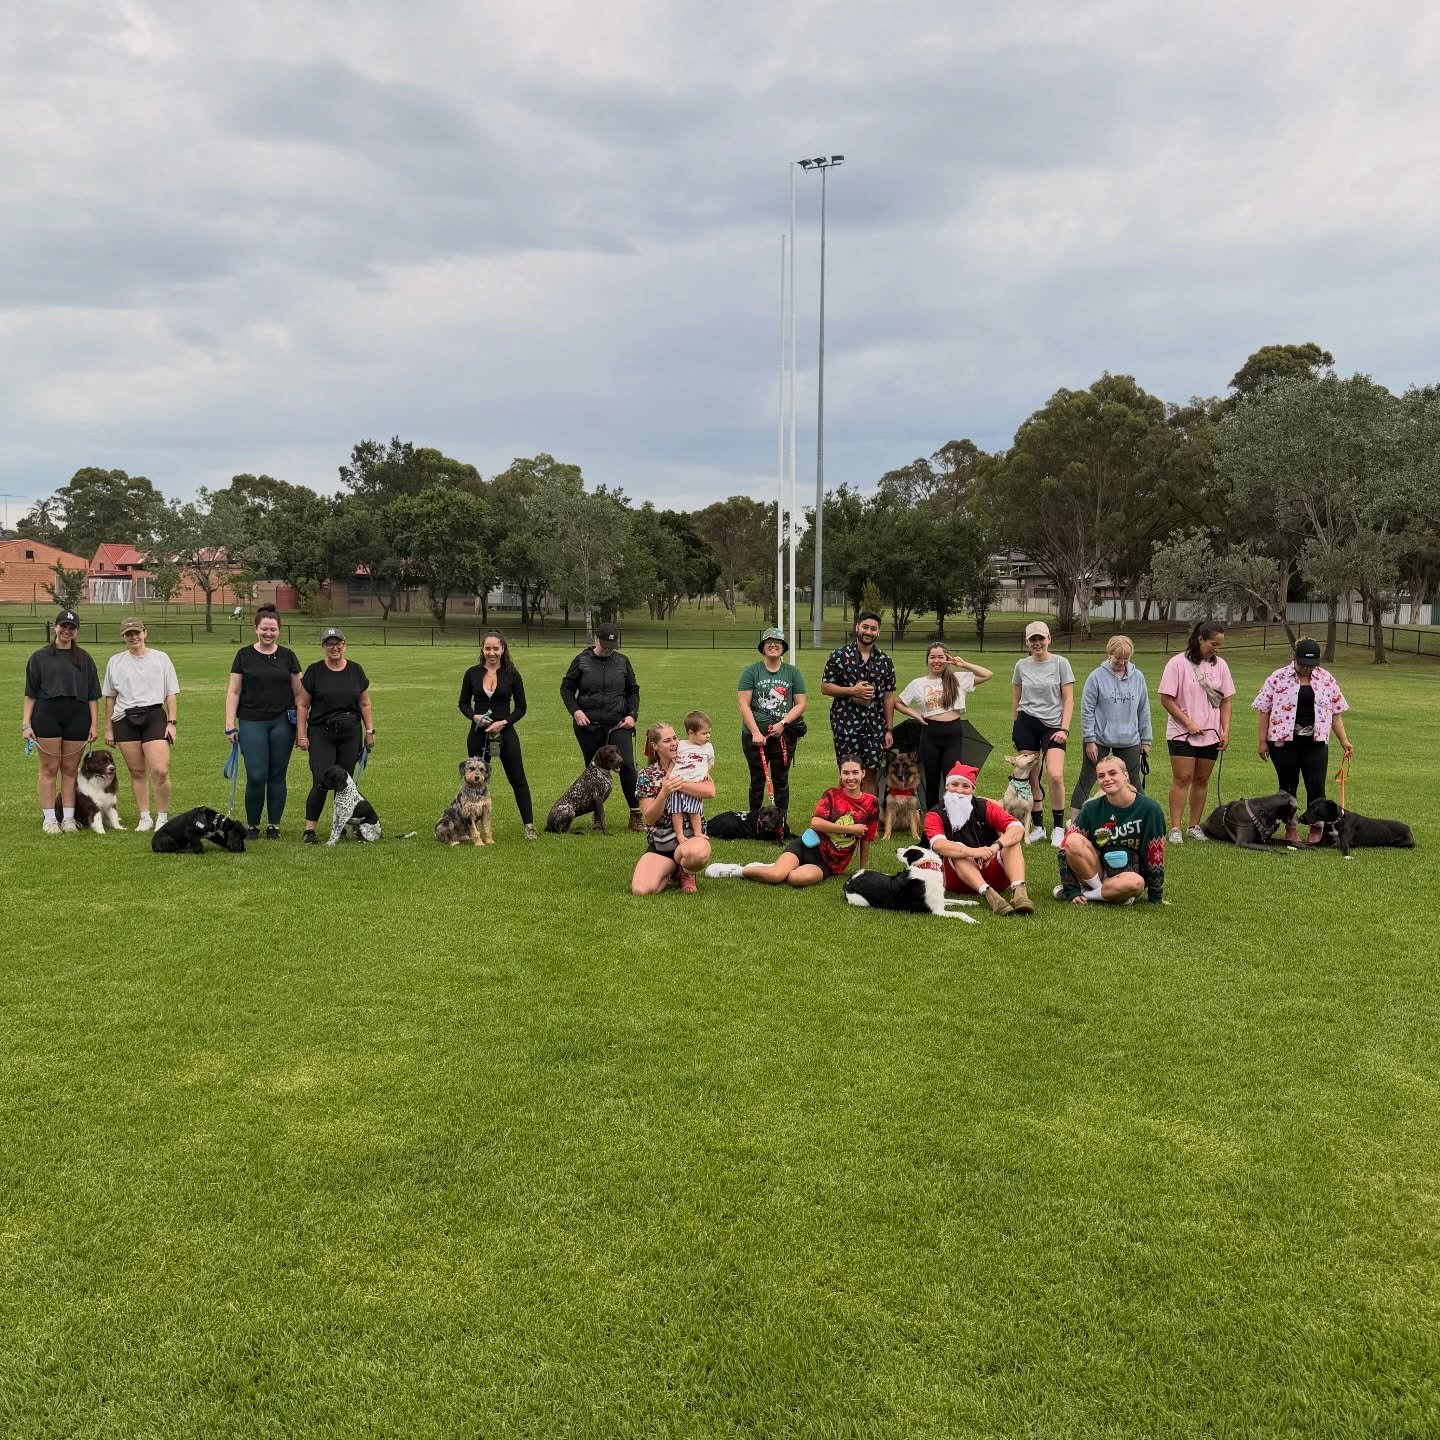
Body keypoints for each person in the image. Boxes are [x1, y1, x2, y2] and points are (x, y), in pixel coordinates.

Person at [705, 756, 878, 887]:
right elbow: (816, 823)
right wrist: (851, 829)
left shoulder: (871, 803)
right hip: (807, 846)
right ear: (840, 774)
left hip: (829, 863)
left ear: (863, 773)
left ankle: (771, 867)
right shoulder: (831, 794)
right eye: (846, 772)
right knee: (776, 876)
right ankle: (737, 870)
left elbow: (866, 838)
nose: (850, 777)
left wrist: (863, 871)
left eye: (855, 772)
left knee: (796, 879)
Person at [1253, 637, 1353, 844]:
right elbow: (1264, 711)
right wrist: (1262, 741)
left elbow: (1336, 713)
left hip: (1315, 742)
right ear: (1294, 657)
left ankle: (1317, 827)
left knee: (1316, 785)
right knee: (1287, 787)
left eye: (1311, 665)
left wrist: (1344, 741)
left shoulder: (1326, 679)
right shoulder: (1277, 678)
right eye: (1303, 664)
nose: (1307, 669)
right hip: (1283, 742)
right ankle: (1290, 827)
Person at [225, 604, 304, 840]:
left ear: (279, 630)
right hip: (252, 721)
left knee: (277, 775)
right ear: (256, 629)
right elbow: (234, 691)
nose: (268, 633)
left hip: (283, 723)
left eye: (273, 629)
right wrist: (230, 724)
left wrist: (301, 728)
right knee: (257, 775)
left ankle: (274, 825)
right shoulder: (244, 655)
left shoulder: (288, 656)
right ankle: (252, 825)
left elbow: (300, 695)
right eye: (264, 629)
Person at [21, 610, 100, 833]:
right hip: (47, 715)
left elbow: (93, 696)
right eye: (63, 626)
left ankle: (68, 818)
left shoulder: (84, 658)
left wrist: (94, 725)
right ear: (55, 627)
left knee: (70, 770)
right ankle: (49, 819)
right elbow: (30, 694)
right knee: (49, 768)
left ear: (77, 631)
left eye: (71, 627)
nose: (67, 631)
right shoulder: (39, 657)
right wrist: (26, 724)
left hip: (78, 716)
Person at [1158, 620, 1235, 844]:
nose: (1216, 649)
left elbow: (1226, 701)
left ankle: (1194, 826)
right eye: (1213, 644)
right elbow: (1166, 698)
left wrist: (1225, 730)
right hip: (1181, 732)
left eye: (1220, 645)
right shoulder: (1177, 663)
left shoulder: (1220, 665)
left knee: (1202, 779)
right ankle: (1175, 828)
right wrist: (1187, 723)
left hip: (1211, 733)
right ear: (1200, 639)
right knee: (1182, 778)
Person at [922, 762, 1034, 915]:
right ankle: (991, 897)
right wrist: (974, 852)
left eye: (965, 786)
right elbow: (939, 845)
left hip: (992, 871)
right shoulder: (935, 814)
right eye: (954, 784)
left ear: (973, 789)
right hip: (958, 879)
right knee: (957, 849)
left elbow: (1017, 828)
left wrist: (994, 847)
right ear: (947, 787)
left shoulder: (985, 806)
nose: (959, 791)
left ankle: (1020, 893)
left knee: (1012, 843)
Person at [561, 622, 642, 831]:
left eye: (612, 646)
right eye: (605, 645)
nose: (608, 649)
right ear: (596, 639)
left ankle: (635, 814)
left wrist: (632, 715)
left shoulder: (622, 661)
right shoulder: (581, 660)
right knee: (594, 771)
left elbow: (633, 690)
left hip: (618, 724)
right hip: (589, 726)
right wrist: (576, 711)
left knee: (627, 765)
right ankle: (598, 817)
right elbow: (566, 689)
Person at [296, 628, 375, 845]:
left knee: (344, 783)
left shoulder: (355, 670)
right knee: (321, 780)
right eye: (329, 644)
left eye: (338, 643)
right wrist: (301, 734)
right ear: (323, 647)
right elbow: (302, 705)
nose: (334, 647)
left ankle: (341, 826)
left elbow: (365, 704)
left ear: (344, 645)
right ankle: (309, 830)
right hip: (322, 734)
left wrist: (369, 731)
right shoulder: (314, 671)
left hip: (350, 734)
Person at [102, 617, 180, 833]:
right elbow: (110, 698)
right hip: (124, 719)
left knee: (160, 770)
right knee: (136, 771)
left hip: (154, 716)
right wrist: (108, 728)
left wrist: (171, 722)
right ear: (123, 637)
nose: (133, 637)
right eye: (128, 634)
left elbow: (171, 694)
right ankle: (144, 817)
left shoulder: (161, 658)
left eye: (137, 632)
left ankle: (162, 817)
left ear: (145, 633)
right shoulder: (115, 662)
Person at [458, 630, 538, 840]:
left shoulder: (512, 674)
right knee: (473, 781)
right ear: (482, 649)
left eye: (496, 648)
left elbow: (521, 707)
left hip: (505, 732)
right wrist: (475, 717)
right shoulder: (472, 673)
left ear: (503, 649)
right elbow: (463, 703)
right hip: (478, 733)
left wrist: (504, 723)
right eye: (487, 648)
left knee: (518, 779)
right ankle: (471, 828)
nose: (491, 653)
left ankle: (529, 826)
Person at [1056, 754, 1167, 905]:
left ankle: (1088, 894)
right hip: (1097, 872)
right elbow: (1064, 848)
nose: (1107, 779)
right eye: (1101, 776)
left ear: (1126, 776)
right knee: (1073, 839)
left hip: (1129, 877)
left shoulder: (1150, 809)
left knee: (1135, 882)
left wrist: (1155, 896)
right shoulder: (1091, 808)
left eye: (1112, 773)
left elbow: (1155, 855)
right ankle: (1105, 892)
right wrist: (1071, 889)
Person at [893, 642, 993, 809]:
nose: (936, 661)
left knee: (952, 778)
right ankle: (933, 815)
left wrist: (963, 664)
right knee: (931, 779)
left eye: (941, 657)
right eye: (932, 657)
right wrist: (915, 714)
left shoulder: (958, 679)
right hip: (930, 733)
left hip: (953, 733)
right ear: (927, 660)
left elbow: (987, 674)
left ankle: (952, 813)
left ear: (947, 659)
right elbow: (898, 703)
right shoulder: (918, 683)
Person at [1070, 635, 1152, 817]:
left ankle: (1141, 820)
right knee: (1087, 780)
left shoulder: (1138, 677)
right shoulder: (1096, 677)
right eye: (1117, 659)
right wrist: (1090, 740)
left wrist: (1146, 740)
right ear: (1109, 654)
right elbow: (1087, 710)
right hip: (1099, 739)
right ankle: (1074, 825)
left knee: (1133, 782)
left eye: (1125, 659)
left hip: (1129, 739)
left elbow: (1143, 709)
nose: (1121, 663)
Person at [630, 722, 716, 895]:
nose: (674, 743)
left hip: (690, 838)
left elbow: (710, 791)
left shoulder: (692, 762)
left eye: (675, 738)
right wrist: (664, 793)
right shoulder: (647, 775)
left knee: (698, 854)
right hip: (663, 841)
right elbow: (650, 818)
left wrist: (679, 784)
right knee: (641, 890)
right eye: (667, 740)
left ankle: (687, 870)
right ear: (655, 746)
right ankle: (673, 869)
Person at [1010, 621, 1075, 846]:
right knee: (1032, 776)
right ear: (1027, 642)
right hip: (1026, 722)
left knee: (1055, 775)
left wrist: (1064, 728)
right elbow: (1016, 698)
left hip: (1054, 725)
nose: (1037, 643)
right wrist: (1016, 725)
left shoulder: (1060, 663)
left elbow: (1068, 698)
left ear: (1049, 639)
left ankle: (1058, 827)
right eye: (1033, 639)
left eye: (1041, 638)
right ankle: (1038, 825)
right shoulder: (1021, 665)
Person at [820, 613, 896, 795]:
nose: (868, 632)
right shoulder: (839, 656)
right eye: (865, 627)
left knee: (871, 773)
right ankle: (846, 812)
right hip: (846, 725)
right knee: (848, 773)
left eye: (873, 629)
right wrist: (852, 691)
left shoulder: (885, 661)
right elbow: (825, 687)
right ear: (857, 628)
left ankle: (868, 813)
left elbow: (888, 697)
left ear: (878, 632)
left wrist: (889, 729)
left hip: (875, 726)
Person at [737, 627, 807, 822]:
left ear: (783, 648)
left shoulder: (792, 673)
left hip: (783, 736)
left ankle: (780, 822)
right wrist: (755, 732)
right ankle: (754, 821)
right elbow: (743, 704)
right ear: (763, 647)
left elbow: (800, 703)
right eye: (769, 642)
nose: (773, 645)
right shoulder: (751, 671)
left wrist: (783, 723)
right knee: (757, 779)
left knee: (781, 779)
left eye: (777, 643)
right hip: (754, 737)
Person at [668, 710, 714, 843]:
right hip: (677, 782)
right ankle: (679, 834)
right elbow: (674, 761)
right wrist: (669, 774)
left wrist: (705, 772)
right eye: (704, 733)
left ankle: (697, 832)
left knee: (695, 811)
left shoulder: (708, 747)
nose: (708, 736)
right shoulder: (681, 745)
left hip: (695, 784)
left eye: (709, 732)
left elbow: (710, 762)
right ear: (691, 733)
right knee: (676, 811)